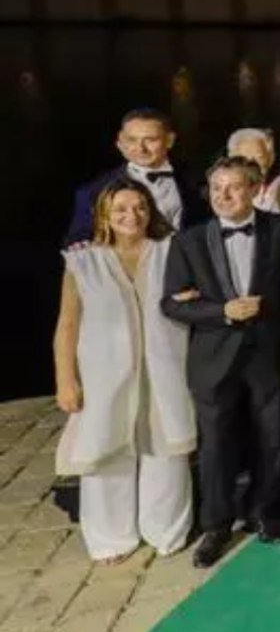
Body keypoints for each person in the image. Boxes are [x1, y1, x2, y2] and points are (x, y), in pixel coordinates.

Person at [162, 156, 280, 568]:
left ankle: (269, 512)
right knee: (216, 447)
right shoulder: (187, 241)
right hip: (213, 360)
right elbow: (171, 303)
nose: (223, 195)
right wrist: (222, 312)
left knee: (273, 438)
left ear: (256, 189)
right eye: (217, 187)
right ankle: (217, 526)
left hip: (268, 353)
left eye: (234, 186)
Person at [53, 179, 194, 562]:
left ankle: (166, 531)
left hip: (165, 372)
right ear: (104, 216)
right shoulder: (83, 262)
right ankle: (110, 539)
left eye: (140, 208)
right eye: (120, 210)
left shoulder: (173, 253)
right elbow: (67, 325)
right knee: (106, 452)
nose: (132, 216)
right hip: (105, 378)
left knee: (165, 451)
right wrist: (66, 379)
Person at [66, 109, 203, 245]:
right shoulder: (94, 191)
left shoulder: (195, 182)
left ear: (170, 140)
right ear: (120, 142)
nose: (140, 148)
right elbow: (77, 245)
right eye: (132, 140)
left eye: (150, 140)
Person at [227, 127, 280, 213]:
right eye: (245, 158)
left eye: (259, 157)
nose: (252, 164)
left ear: (270, 158)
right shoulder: (222, 192)